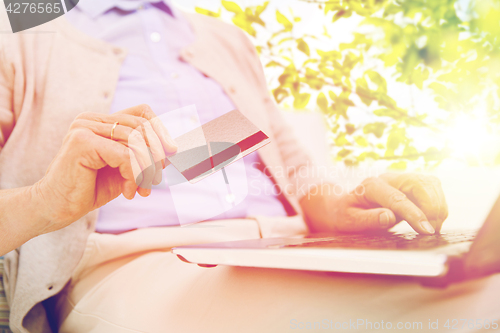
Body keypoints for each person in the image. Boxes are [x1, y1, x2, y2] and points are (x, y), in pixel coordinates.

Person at [0, 0, 454, 332]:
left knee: (466, 293)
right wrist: (46, 201)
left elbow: (294, 170)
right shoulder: (18, 22)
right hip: (141, 263)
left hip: (294, 246)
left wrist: (341, 201)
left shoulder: (222, 36)